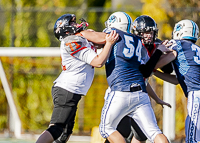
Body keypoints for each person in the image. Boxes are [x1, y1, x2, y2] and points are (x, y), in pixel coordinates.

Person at [35, 14, 119, 143]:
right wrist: (109, 43)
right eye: (72, 23)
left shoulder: (79, 39)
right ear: (66, 30)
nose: (76, 25)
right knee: (56, 128)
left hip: (72, 91)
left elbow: (99, 45)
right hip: (67, 90)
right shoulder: (70, 41)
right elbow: (98, 62)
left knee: (65, 133)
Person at [99, 11, 173, 143]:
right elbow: (146, 72)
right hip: (136, 92)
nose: (148, 36)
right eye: (145, 32)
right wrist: (166, 54)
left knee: (112, 129)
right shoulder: (141, 45)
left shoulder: (135, 42)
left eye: (151, 32)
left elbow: (146, 75)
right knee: (133, 131)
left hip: (123, 91)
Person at [158, 19, 200, 143]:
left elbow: (160, 50)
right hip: (196, 93)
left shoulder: (177, 44)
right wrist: (155, 73)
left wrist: (151, 66)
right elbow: (178, 80)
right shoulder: (196, 49)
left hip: (196, 94)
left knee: (192, 139)